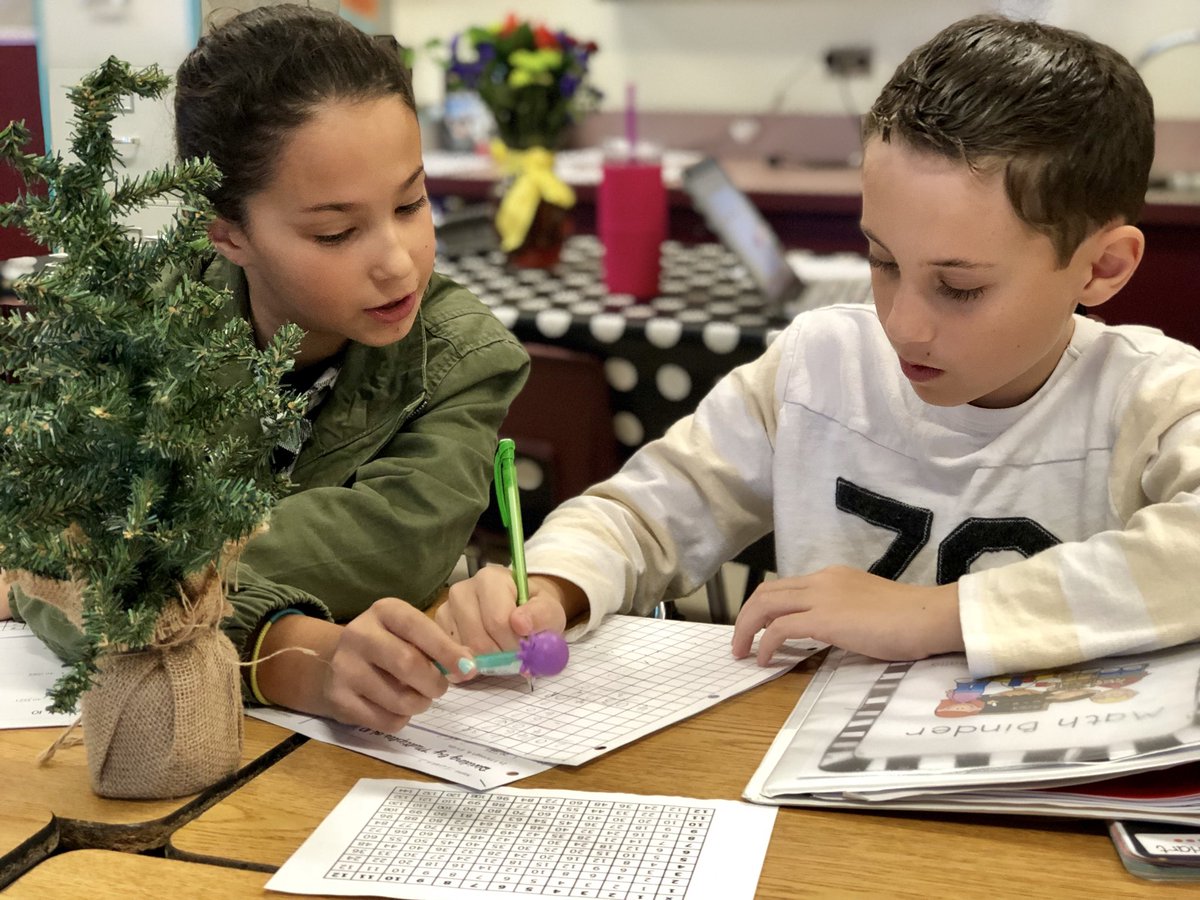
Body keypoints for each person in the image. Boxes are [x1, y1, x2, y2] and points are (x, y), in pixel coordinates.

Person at [440, 14, 1200, 679]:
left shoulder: (1154, 397)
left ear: (1103, 268)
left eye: (960, 287)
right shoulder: (818, 366)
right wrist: (553, 585)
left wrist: (936, 615)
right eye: (883, 261)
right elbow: (642, 515)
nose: (902, 325)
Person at [1, 4, 529, 732]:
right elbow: (56, 568)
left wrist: (125, 560)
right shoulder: (141, 326)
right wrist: (282, 648)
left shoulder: (462, 356)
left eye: (411, 203)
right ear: (227, 234)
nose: (398, 261)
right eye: (336, 232)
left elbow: (393, 547)